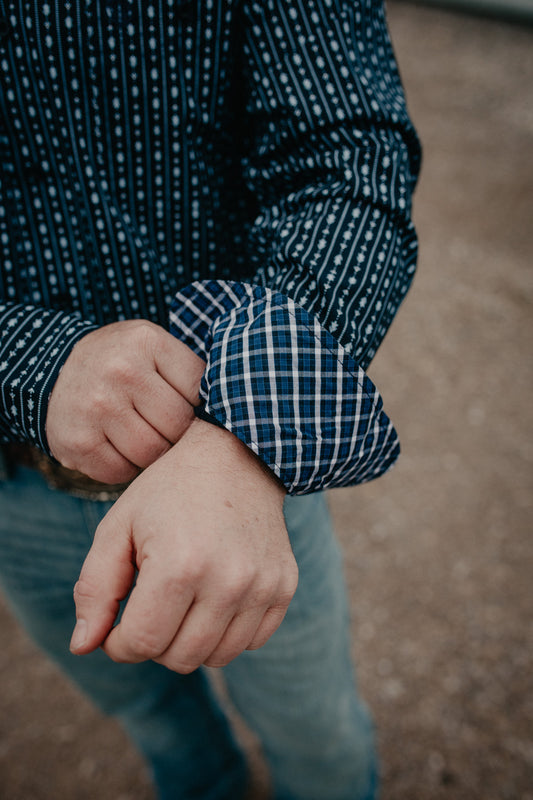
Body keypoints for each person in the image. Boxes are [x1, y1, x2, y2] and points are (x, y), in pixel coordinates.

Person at [0, 1, 421, 799]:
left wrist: (239, 434)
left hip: (232, 468)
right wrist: (32, 360)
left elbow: (350, 157)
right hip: (18, 493)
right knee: (150, 716)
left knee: (315, 730)